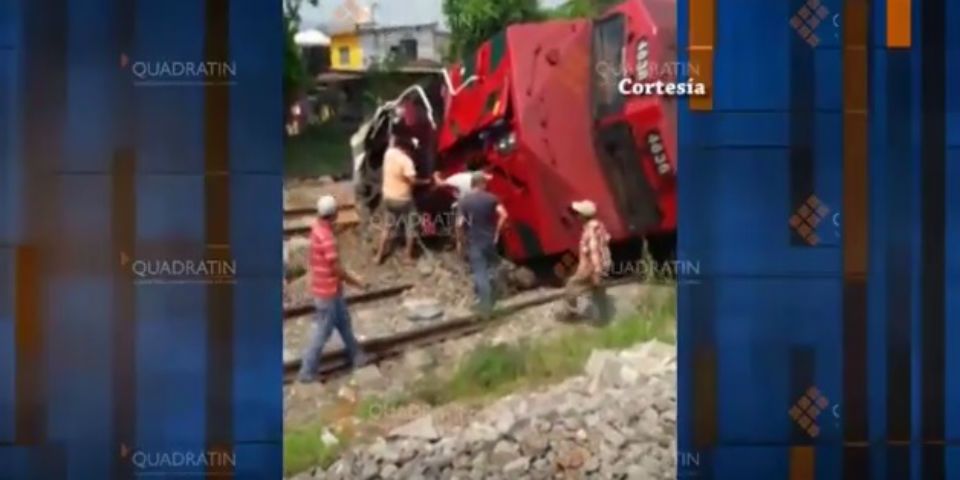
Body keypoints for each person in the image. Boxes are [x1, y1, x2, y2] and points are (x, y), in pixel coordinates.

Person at [298, 195, 369, 383]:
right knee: (322, 332)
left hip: (329, 289)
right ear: (334, 214)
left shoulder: (317, 228)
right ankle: (307, 371)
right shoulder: (328, 238)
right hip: (327, 292)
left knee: (344, 322)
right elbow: (336, 269)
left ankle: (357, 356)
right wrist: (357, 282)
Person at [457, 173, 509, 315]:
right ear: (482, 184)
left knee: (480, 272)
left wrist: (461, 241)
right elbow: (504, 215)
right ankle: (495, 297)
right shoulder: (492, 198)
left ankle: (485, 305)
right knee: (493, 267)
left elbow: (459, 224)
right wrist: (497, 232)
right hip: (490, 240)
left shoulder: (464, 201)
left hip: (474, 240)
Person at [375, 131, 428, 264]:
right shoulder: (406, 161)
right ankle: (407, 257)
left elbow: (392, 141)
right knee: (411, 227)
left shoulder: (389, 153)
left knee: (387, 227)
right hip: (403, 200)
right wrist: (426, 181)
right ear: (408, 149)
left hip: (388, 197)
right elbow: (413, 181)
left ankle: (379, 256)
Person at [560, 200, 612, 321]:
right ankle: (603, 315)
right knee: (596, 288)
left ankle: (572, 314)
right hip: (597, 265)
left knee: (571, 286)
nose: (576, 216)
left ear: (583, 216)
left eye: (578, 213)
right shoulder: (598, 225)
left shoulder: (590, 231)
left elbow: (594, 251)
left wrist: (597, 271)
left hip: (590, 267)